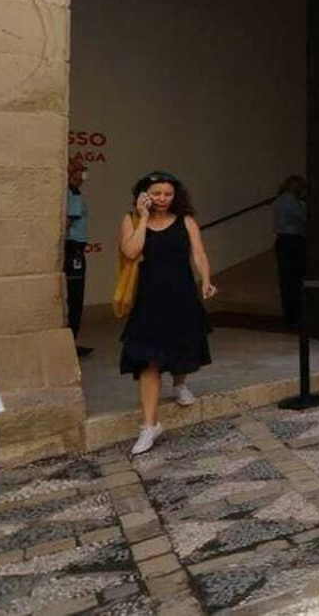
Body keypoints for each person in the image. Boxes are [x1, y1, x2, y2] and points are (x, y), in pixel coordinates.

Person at [118, 172, 216, 455]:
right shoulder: (132, 220)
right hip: (148, 300)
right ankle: (149, 426)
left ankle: (180, 382)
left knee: (183, 345)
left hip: (182, 295)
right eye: (156, 193)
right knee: (148, 360)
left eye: (167, 194)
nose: (162, 198)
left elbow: (198, 254)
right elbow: (131, 251)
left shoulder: (186, 221)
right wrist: (143, 217)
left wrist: (206, 279)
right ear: (144, 194)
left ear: (176, 196)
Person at [65, 157, 92, 358]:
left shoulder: (75, 192)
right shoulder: (71, 192)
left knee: (75, 296)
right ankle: (69, 344)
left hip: (75, 248)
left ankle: (71, 341)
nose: (83, 175)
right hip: (72, 248)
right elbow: (67, 221)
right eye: (79, 171)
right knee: (74, 296)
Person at [272, 175, 307, 329]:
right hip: (294, 241)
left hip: (282, 241)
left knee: (286, 278)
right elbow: (304, 217)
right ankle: (296, 315)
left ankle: (289, 314)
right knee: (296, 278)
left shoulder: (278, 200)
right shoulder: (292, 201)